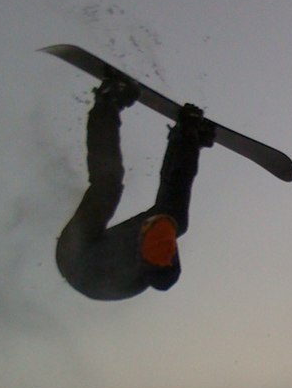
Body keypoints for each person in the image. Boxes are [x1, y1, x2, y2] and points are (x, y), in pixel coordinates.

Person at [56, 75, 215, 300]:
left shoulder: (125, 264)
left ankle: (107, 102)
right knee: (173, 213)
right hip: (104, 261)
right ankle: (183, 139)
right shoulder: (165, 233)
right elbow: (176, 185)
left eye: (147, 227)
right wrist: (189, 139)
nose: (147, 222)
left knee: (107, 185)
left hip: (76, 257)